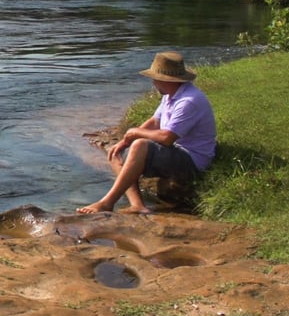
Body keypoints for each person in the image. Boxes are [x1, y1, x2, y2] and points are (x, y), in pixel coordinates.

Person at [78, 51, 216, 214]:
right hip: (175, 152)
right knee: (116, 153)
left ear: (165, 80)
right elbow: (155, 121)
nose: (153, 82)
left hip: (192, 160)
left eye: (155, 78)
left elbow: (167, 138)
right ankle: (137, 205)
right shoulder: (171, 94)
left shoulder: (189, 101)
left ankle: (107, 202)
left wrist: (135, 133)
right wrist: (124, 141)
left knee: (139, 145)